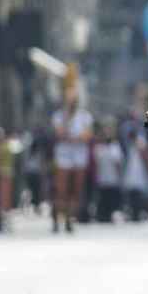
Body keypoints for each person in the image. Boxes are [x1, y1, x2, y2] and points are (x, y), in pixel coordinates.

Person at [51, 93, 94, 233]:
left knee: (76, 189)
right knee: (61, 190)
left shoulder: (85, 116)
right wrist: (71, 133)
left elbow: (87, 135)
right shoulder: (59, 116)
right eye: (69, 102)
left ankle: (70, 218)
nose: (72, 104)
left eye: (74, 101)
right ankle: (57, 218)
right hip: (63, 155)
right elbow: (59, 133)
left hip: (79, 156)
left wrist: (74, 138)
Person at [92, 123, 124, 223]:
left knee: (112, 200)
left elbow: (118, 163)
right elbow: (96, 164)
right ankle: (102, 216)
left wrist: (120, 177)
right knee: (103, 200)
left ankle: (111, 216)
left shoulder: (115, 146)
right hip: (102, 180)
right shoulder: (98, 147)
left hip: (113, 180)